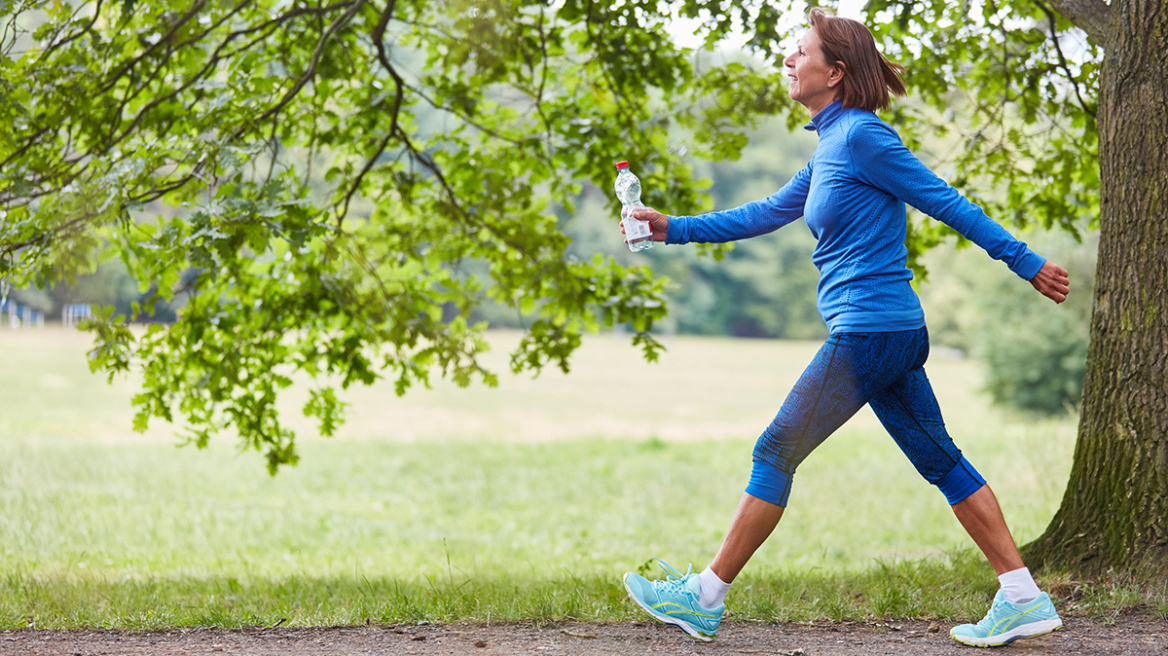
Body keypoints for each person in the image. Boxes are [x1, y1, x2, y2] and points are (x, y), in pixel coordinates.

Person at [619, 8, 1071, 649]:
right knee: (939, 460)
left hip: (868, 333)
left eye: (800, 52)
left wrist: (1024, 262)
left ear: (834, 71)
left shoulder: (863, 137)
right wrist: (672, 227)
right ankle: (1023, 596)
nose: (788, 60)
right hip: (885, 334)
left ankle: (704, 598)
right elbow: (768, 212)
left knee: (776, 450)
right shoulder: (830, 145)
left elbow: (943, 199)